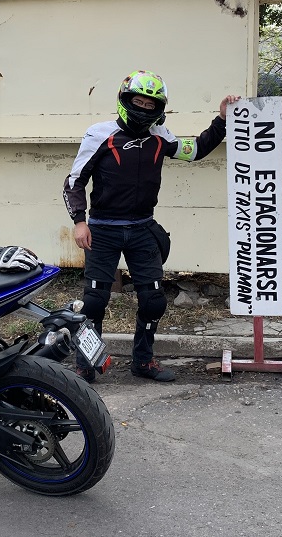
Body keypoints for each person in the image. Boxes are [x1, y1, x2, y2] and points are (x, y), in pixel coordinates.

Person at [63, 70, 240, 383]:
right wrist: (79, 222)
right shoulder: (99, 134)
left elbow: (196, 149)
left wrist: (222, 120)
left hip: (142, 228)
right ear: (125, 100)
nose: (144, 108)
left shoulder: (160, 135)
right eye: (139, 101)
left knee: (154, 300)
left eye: (151, 104)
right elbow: (74, 181)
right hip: (102, 230)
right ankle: (85, 365)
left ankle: (143, 362)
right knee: (93, 302)